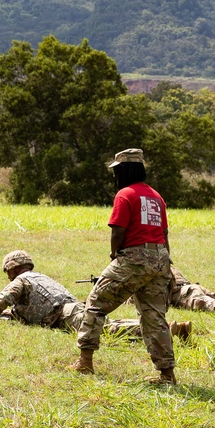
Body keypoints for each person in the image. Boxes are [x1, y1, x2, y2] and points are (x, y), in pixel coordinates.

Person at [72, 148, 176, 384]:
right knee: (154, 317)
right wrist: (166, 266)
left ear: (123, 171)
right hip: (160, 258)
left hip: (134, 258)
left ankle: (85, 362)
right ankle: (167, 375)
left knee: (96, 304)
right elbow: (164, 233)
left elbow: (118, 231)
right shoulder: (156, 197)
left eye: (116, 171)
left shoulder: (125, 194)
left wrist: (115, 255)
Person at [0, 250, 191, 340]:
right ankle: (167, 327)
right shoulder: (38, 277)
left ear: (13, 269)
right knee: (107, 325)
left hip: (65, 313)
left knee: (106, 329)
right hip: (68, 310)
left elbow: (3, 299)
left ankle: (170, 329)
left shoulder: (21, 280)